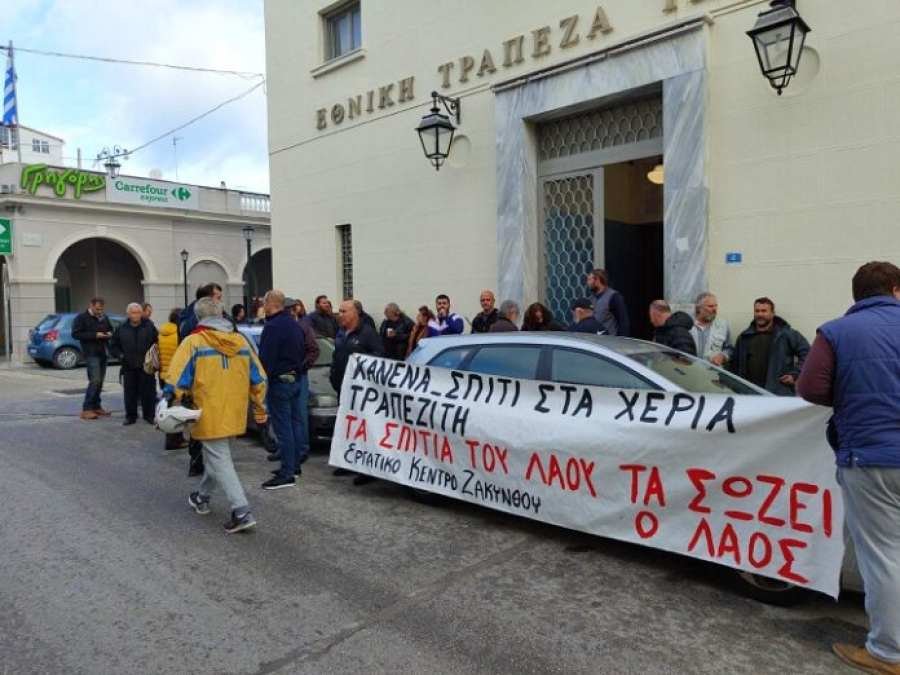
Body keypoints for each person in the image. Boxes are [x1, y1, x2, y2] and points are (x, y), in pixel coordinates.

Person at [796, 262, 900, 674]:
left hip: (871, 459)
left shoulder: (837, 332)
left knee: (884, 556)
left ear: (857, 295)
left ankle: (887, 653)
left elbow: (810, 388)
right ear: (895, 289)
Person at [165, 297, 268, 534]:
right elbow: (259, 379)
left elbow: (177, 377)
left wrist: (168, 400)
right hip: (235, 412)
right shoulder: (241, 342)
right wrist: (260, 409)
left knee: (219, 459)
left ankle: (241, 511)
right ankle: (201, 497)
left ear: (199, 317)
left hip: (208, 412)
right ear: (221, 315)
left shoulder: (194, 342)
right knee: (217, 457)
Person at [259, 290, 319, 490]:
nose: (263, 307)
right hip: (295, 380)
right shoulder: (294, 324)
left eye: (264, 303)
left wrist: (261, 382)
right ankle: (294, 467)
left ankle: (286, 474)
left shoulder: (272, 326)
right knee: (294, 426)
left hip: (280, 382)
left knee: (283, 429)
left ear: (270, 304)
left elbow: (267, 358)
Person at [331, 299, 384, 483]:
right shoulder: (341, 332)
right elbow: (336, 355)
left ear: (355, 313)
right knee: (346, 427)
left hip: (361, 392)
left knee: (363, 429)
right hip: (343, 388)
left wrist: (362, 357)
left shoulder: (368, 333)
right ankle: (347, 462)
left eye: (343, 311)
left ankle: (367, 470)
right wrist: (333, 375)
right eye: (339, 311)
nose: (339, 315)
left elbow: (381, 355)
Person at [731, 297, 810, 395]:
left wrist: (795, 374)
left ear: (772, 313)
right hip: (750, 395)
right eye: (757, 311)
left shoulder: (787, 334)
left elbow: (809, 355)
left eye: (764, 311)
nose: (760, 314)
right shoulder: (744, 337)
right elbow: (734, 366)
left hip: (778, 395)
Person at [110, 302, 159, 425]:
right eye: (133, 313)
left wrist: (154, 353)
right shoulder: (122, 327)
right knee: (130, 392)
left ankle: (149, 415)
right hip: (129, 365)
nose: (136, 315)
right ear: (128, 314)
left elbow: (157, 340)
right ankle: (131, 416)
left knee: (148, 392)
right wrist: (120, 355)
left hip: (146, 365)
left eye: (138, 312)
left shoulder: (148, 325)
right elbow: (113, 345)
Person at [71, 297, 114, 420]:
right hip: (91, 353)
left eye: (101, 309)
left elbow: (110, 328)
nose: (100, 311)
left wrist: (109, 333)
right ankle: (86, 409)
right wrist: (95, 335)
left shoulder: (104, 317)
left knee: (100, 381)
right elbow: (75, 334)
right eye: (97, 309)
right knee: (95, 380)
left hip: (103, 352)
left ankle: (96, 406)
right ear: (91, 305)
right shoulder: (81, 317)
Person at [158, 308, 185, 450]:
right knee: (176, 408)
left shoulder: (162, 333)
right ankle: (174, 440)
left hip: (163, 375)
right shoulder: (178, 335)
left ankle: (170, 434)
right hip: (175, 375)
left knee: (168, 405)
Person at [690, 292, 732, 367]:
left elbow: (730, 349)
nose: (715, 309)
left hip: (712, 372)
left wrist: (723, 356)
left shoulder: (723, 325)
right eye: (710, 306)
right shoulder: (687, 324)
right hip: (689, 370)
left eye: (716, 306)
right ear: (699, 308)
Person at [586, 268, 630, 336]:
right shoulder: (590, 299)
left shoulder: (614, 297)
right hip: (593, 340)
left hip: (609, 340)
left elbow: (623, 322)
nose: (587, 283)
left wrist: (621, 340)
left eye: (589, 279)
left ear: (597, 280)